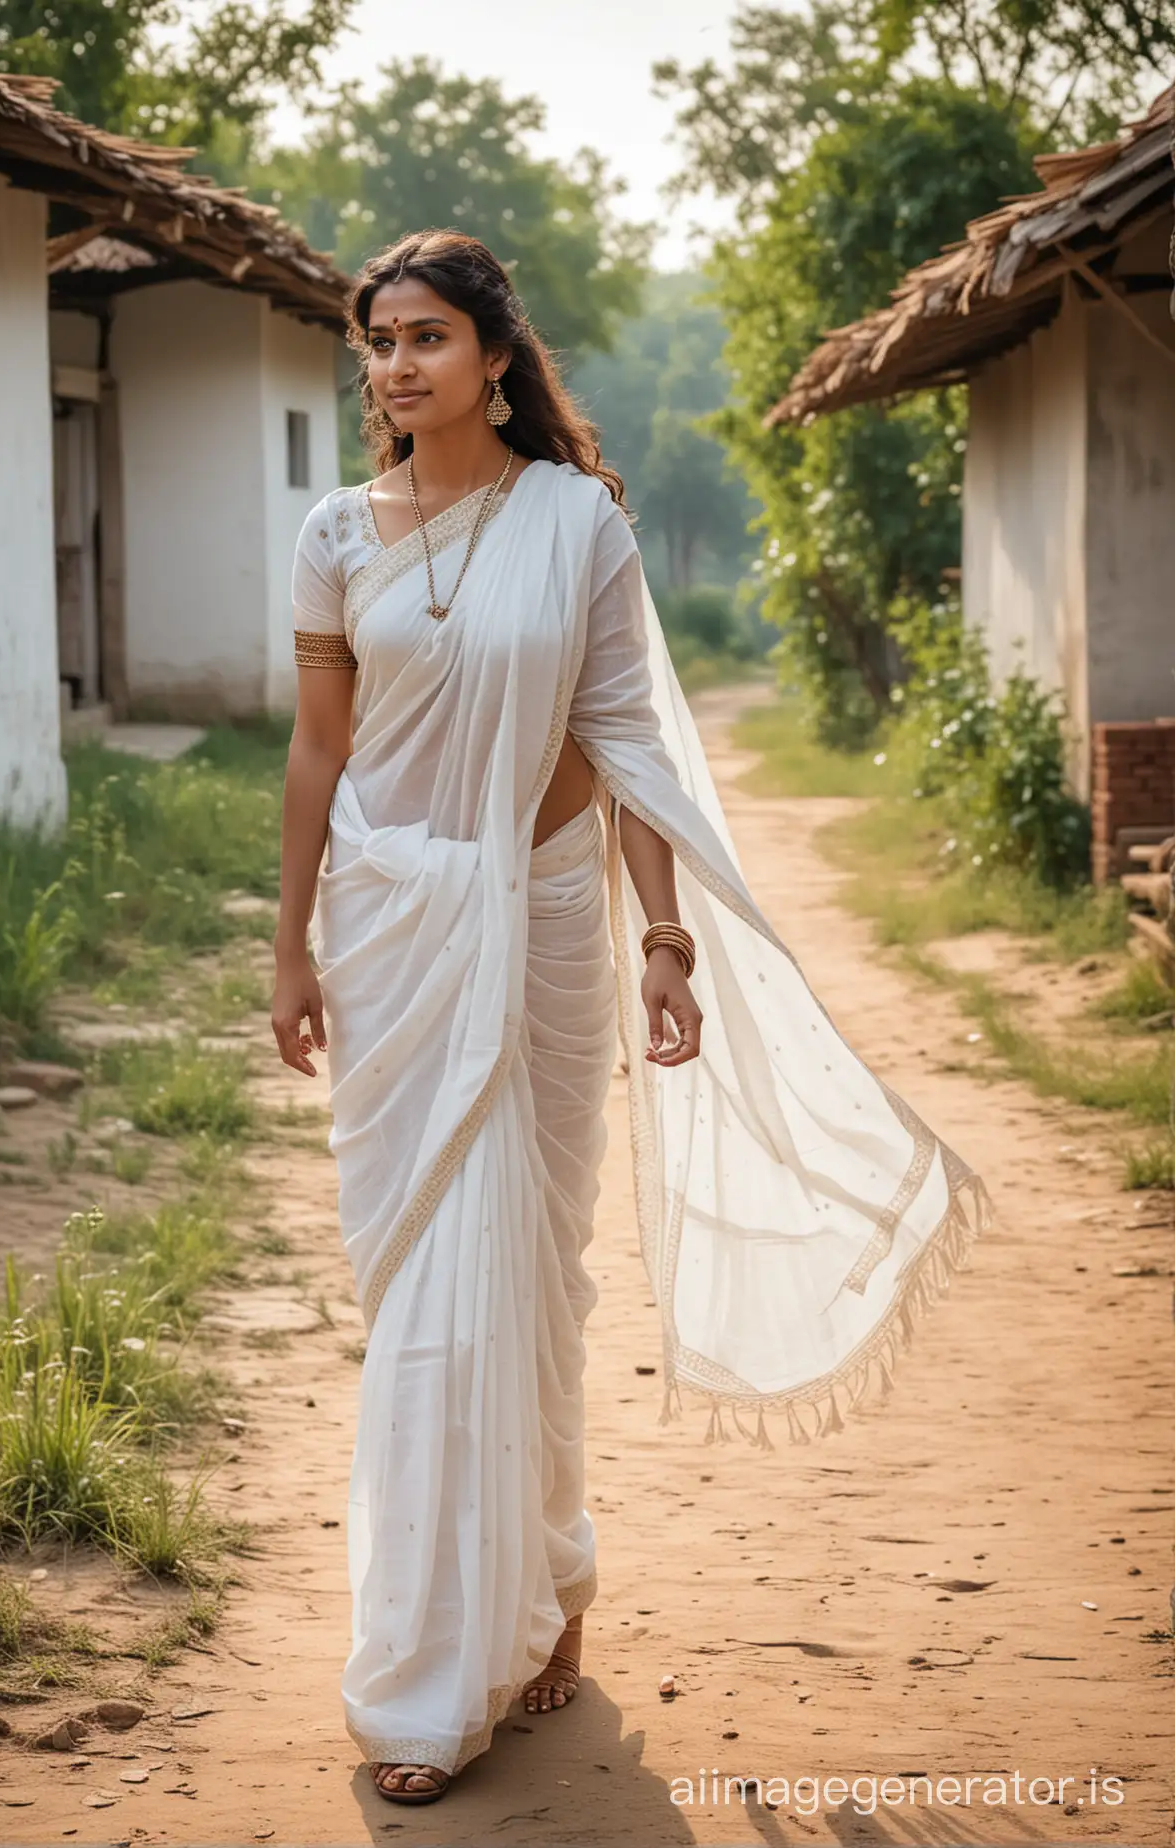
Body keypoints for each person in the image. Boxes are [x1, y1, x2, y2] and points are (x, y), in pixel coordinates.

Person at [271, 230, 987, 1807]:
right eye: (377, 339)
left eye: (428, 337)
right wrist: (289, 950)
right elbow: (320, 757)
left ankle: (550, 1600)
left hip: (538, 928)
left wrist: (665, 936)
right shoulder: (336, 533)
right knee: (428, 1299)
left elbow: (625, 739)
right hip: (392, 929)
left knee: (536, 1273)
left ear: (498, 356)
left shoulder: (575, 522)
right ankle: (426, 1676)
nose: (396, 366)